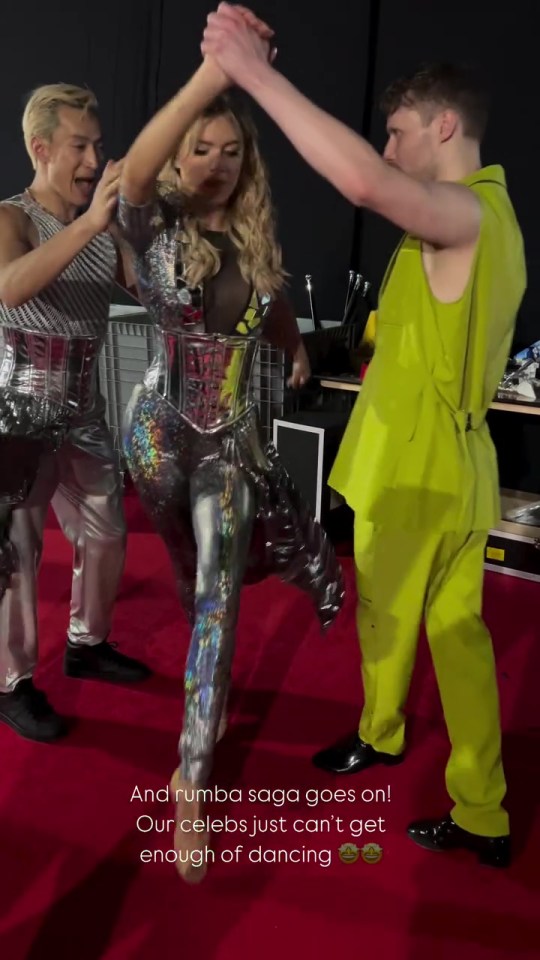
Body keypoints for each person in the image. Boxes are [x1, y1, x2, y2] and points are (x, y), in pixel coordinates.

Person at [202, 4, 527, 868]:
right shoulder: (494, 221)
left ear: (445, 126)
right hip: (459, 463)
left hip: (415, 470)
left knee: (390, 617)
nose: (388, 149)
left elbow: (366, 186)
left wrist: (255, 74)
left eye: (397, 131)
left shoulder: (461, 215)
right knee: (460, 637)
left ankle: (382, 737)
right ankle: (482, 810)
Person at [117, 58, 344, 882]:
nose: (217, 163)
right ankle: (197, 709)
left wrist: (290, 346)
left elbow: (271, 296)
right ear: (180, 159)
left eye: (232, 152)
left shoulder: (253, 236)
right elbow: (134, 174)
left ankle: (193, 783)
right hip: (155, 440)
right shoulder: (153, 227)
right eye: (202, 149)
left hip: (232, 443)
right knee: (188, 582)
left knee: (216, 605)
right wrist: (209, 79)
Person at [0, 83, 151, 744]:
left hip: (84, 404)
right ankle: (11, 681)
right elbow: (8, 289)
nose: (95, 159)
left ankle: (87, 643)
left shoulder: (104, 227)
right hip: (16, 411)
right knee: (19, 550)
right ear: (41, 149)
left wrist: (142, 229)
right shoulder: (11, 218)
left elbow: (154, 291)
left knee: (108, 529)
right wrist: (92, 226)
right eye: (80, 146)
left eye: (98, 145)